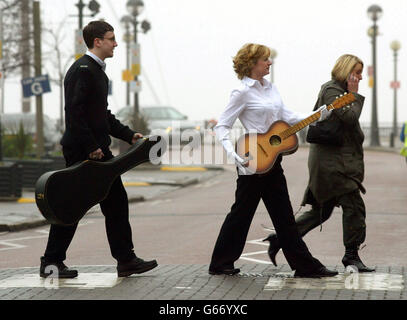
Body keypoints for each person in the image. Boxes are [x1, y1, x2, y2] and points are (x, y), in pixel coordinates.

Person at [39, 21, 157, 278]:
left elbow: (101, 115)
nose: (116, 43)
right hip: (86, 152)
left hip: (96, 150)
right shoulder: (84, 70)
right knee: (72, 204)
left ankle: (124, 261)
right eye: (111, 38)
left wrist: (128, 134)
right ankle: (53, 261)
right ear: (97, 41)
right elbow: (75, 113)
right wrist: (91, 146)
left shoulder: (96, 71)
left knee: (113, 204)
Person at [208, 43, 338, 278]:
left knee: (284, 216)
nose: (270, 63)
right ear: (252, 63)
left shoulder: (271, 89)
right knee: (241, 214)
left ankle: (305, 266)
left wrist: (318, 114)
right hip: (252, 161)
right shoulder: (242, 92)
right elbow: (222, 126)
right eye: (265, 59)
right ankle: (220, 263)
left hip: (273, 161)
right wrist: (233, 154)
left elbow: (288, 117)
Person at [264, 54, 375, 272]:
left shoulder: (338, 91)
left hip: (335, 161)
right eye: (357, 72)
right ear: (347, 71)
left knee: (320, 211)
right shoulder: (332, 91)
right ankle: (351, 256)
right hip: (332, 164)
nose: (360, 78)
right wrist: (353, 94)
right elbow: (349, 118)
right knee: (353, 205)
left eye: (361, 73)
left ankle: (280, 239)